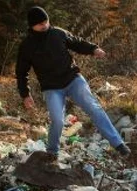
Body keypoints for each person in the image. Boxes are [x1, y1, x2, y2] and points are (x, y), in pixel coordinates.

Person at [16, 6, 130, 159]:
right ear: (32, 25)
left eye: (46, 21)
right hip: (51, 88)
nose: (44, 25)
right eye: (40, 23)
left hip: (73, 80)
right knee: (57, 120)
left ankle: (119, 144)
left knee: (93, 108)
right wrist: (25, 94)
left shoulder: (58, 33)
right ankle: (52, 152)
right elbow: (21, 73)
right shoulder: (26, 46)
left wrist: (93, 49)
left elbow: (77, 42)